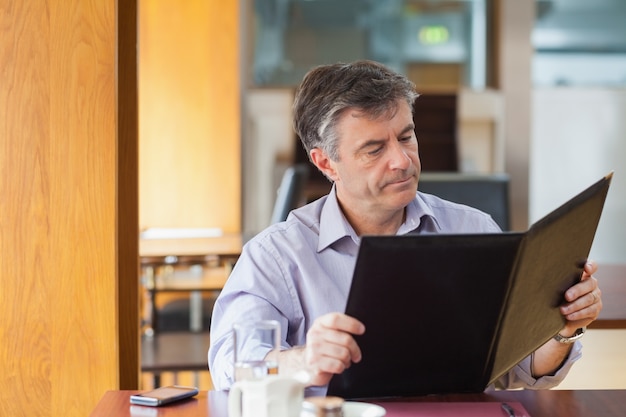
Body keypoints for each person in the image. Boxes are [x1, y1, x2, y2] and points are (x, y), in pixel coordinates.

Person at [208, 60, 603, 396]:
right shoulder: (276, 256)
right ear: (326, 163)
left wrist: (562, 329)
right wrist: (303, 361)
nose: (401, 160)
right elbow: (231, 368)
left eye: (406, 136)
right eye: (374, 149)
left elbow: (520, 370)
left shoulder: (472, 229)